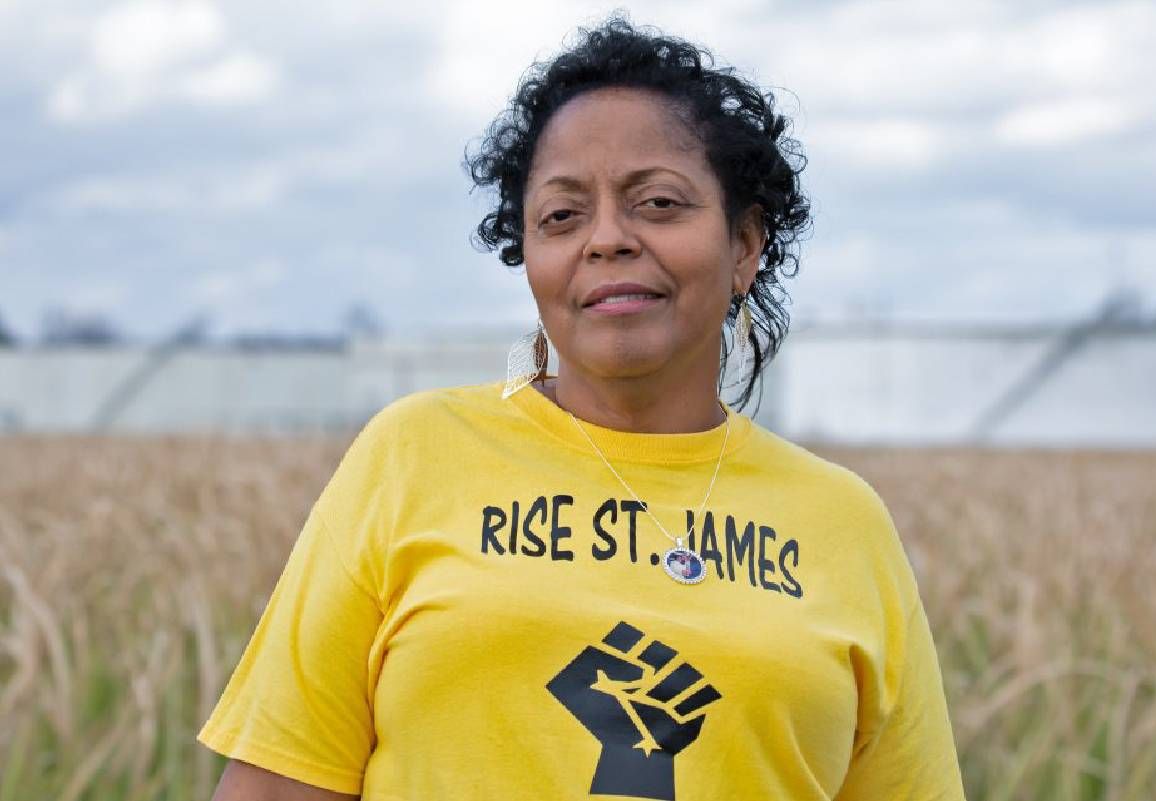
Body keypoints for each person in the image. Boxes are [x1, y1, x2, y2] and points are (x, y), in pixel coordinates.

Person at [199, 15, 966, 801]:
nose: (606, 239)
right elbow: (274, 786)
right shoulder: (412, 454)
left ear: (743, 245)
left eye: (658, 203)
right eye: (561, 216)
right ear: (529, 255)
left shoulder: (843, 522)